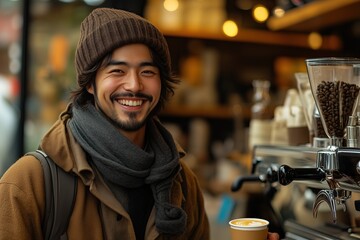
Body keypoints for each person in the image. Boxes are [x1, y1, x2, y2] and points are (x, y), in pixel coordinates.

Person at [0, 8, 279, 240]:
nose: (134, 85)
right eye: (117, 71)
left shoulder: (182, 182)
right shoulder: (30, 182)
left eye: (147, 71)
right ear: (89, 84)